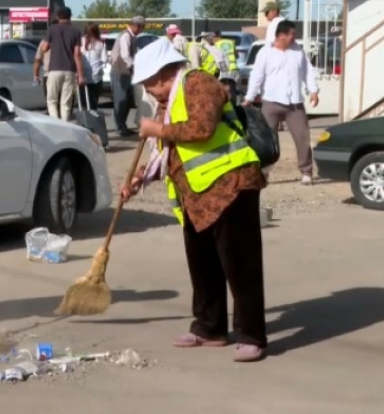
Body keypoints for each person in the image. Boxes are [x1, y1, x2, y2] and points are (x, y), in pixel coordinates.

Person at [121, 38, 268, 363]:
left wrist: (158, 129)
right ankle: (209, 327)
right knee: (202, 265)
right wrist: (140, 176)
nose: (148, 90)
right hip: (197, 195)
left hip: (231, 185)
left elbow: (201, 129)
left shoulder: (200, 82)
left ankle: (252, 335)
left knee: (240, 265)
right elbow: (169, 150)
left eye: (148, 83)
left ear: (163, 74)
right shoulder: (169, 101)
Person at [243, 20, 320, 185]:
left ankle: (306, 172)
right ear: (281, 35)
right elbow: (257, 76)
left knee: (302, 137)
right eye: (292, 34)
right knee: (266, 140)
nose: (294, 37)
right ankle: (264, 173)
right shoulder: (265, 53)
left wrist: (313, 90)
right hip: (271, 102)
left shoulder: (298, 51)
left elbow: (308, 72)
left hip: (295, 103)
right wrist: (249, 98)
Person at [39, 7, 84, 120]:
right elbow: (77, 54)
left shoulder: (52, 29)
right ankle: (65, 125)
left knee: (52, 100)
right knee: (66, 103)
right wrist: (81, 75)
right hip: (70, 70)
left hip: (54, 69)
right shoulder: (76, 32)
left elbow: (44, 48)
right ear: (70, 16)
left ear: (58, 17)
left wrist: (50, 44)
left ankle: (55, 124)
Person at [110, 16, 145, 136]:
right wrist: (135, 66)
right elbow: (125, 56)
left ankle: (123, 126)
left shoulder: (132, 37)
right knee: (121, 99)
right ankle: (120, 128)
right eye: (142, 27)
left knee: (127, 100)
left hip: (127, 72)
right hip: (120, 72)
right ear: (136, 26)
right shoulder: (125, 36)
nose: (142, 29)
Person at [79, 23, 107, 110]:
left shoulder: (80, 41)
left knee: (84, 101)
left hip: (83, 75)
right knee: (94, 102)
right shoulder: (101, 43)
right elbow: (104, 59)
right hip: (96, 76)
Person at [33, 17, 58, 100]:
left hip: (48, 74)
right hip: (63, 73)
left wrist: (36, 75)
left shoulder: (44, 42)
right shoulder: (65, 40)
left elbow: (37, 60)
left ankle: (51, 112)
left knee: (50, 101)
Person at [213, 31, 240, 101]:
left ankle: (227, 105)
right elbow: (237, 56)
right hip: (234, 68)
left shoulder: (215, 45)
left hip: (224, 69)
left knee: (224, 89)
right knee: (233, 89)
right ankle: (235, 105)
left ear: (215, 37)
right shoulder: (230, 42)